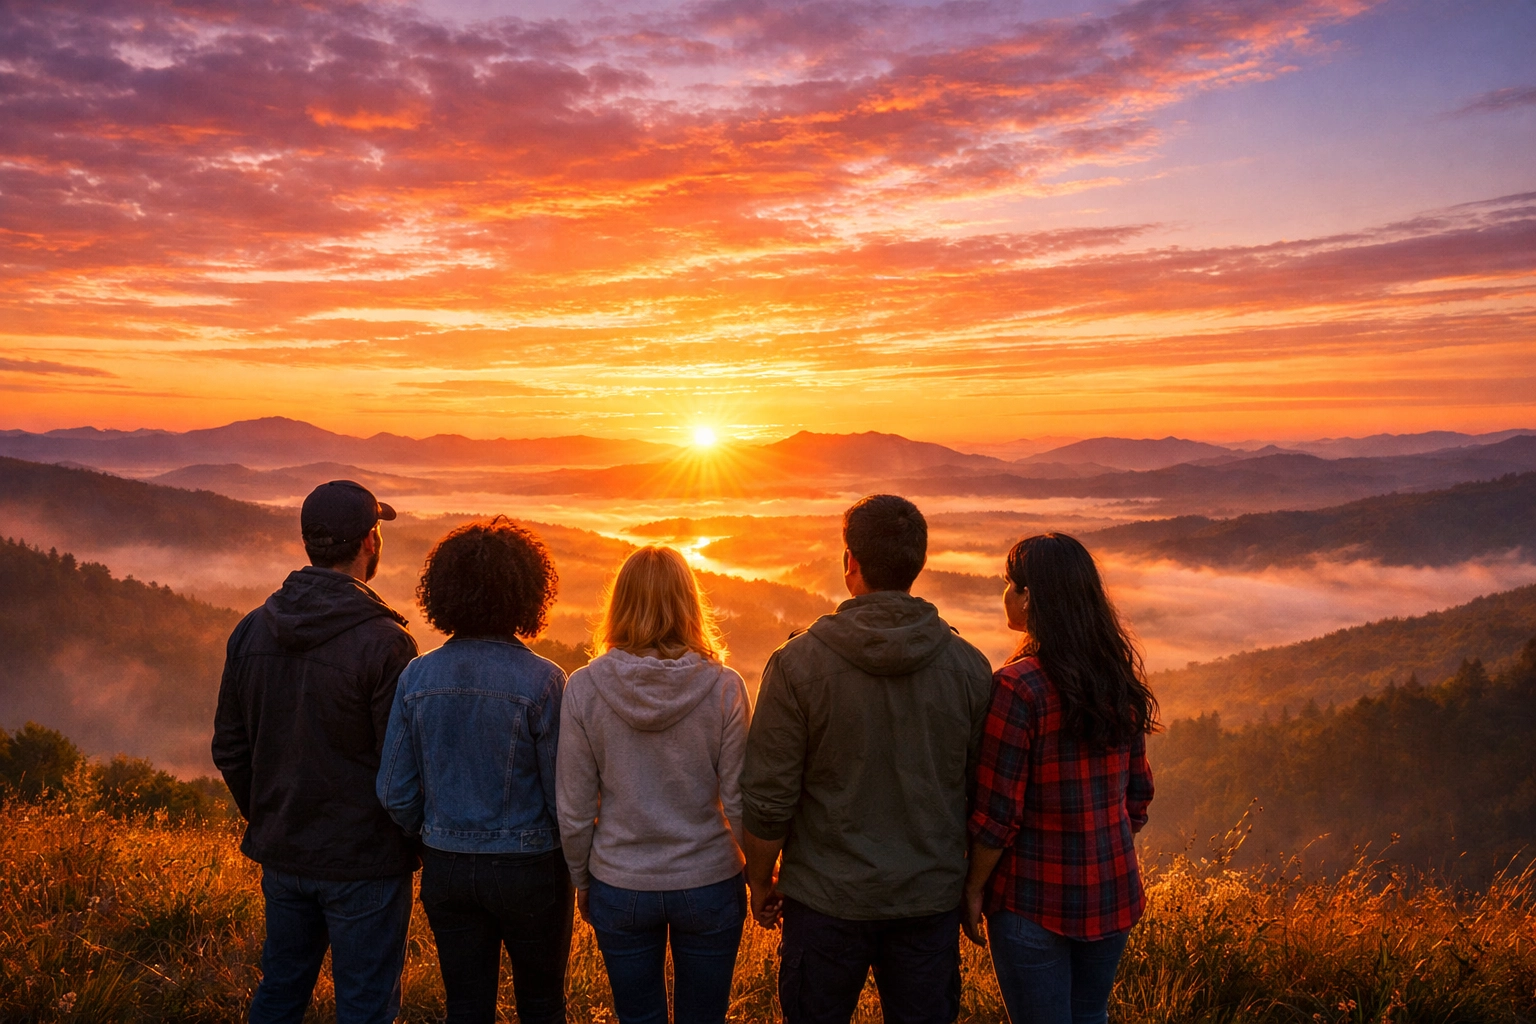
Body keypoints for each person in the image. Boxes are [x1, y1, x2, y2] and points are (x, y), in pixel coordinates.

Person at [740, 494, 993, 1024]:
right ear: (918, 564)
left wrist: (761, 878)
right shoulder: (968, 668)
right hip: (928, 900)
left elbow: (770, 796)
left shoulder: (797, 664)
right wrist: (973, 887)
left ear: (849, 561)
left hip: (824, 903)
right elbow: (981, 792)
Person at [212, 480, 419, 1024]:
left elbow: (229, 747)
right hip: (366, 862)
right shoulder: (386, 643)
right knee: (365, 1006)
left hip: (283, 852)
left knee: (280, 992)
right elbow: (400, 767)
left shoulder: (252, 629)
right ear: (370, 542)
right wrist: (407, 840)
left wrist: (269, 813)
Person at [377, 517, 571, 1024]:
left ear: (443, 591)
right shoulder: (546, 682)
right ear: (528, 594)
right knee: (543, 1003)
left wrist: (433, 831)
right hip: (530, 868)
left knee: (465, 1005)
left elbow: (394, 789)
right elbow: (562, 796)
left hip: (447, 866)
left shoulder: (417, 676)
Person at [961, 533, 1157, 1024]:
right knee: (1090, 1015)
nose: (1005, 594)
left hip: (1033, 899)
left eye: (1010, 584)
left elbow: (996, 816)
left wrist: (971, 889)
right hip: (1113, 893)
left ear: (1031, 598)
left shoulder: (1017, 687)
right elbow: (1138, 795)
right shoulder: (1117, 678)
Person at [556, 546, 751, 1024]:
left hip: (620, 881)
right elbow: (740, 798)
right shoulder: (725, 687)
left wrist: (582, 879)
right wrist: (758, 873)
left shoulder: (584, 688)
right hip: (709, 878)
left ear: (619, 605)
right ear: (690, 604)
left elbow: (575, 808)